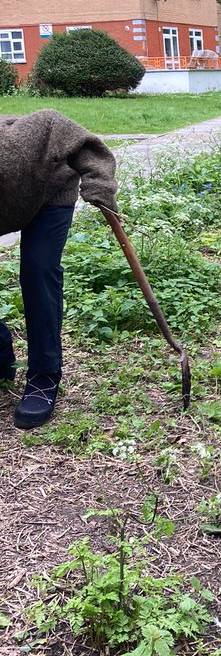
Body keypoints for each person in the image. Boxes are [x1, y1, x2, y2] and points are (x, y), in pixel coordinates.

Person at [0, 110, 118, 429]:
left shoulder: (26, 139)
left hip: (52, 191)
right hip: (9, 202)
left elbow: (83, 142)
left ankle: (44, 374)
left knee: (38, 272)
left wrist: (99, 182)